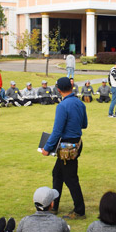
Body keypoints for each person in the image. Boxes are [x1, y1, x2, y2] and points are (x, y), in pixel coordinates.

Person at [42, 77, 88, 219]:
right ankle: (54, 205)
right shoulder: (80, 104)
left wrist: (47, 147)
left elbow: (57, 131)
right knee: (57, 173)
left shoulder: (62, 106)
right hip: (76, 144)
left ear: (59, 90)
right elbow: (84, 124)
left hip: (66, 148)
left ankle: (79, 210)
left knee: (71, 179)